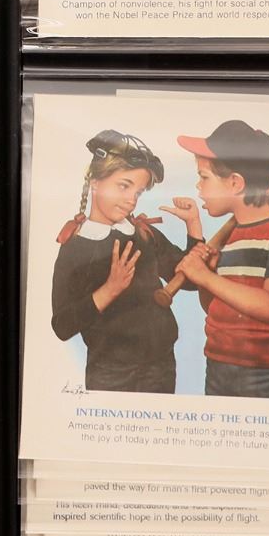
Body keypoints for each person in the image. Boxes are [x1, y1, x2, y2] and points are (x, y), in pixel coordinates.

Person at [50, 130, 203, 394]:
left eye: (138, 192)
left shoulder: (145, 235)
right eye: (124, 186)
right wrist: (110, 289)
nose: (132, 199)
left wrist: (194, 226)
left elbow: (191, 280)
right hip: (110, 374)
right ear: (95, 182)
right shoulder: (74, 248)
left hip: (161, 367)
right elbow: (62, 326)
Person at [172, 121, 269, 400]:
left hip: (265, 377)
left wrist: (206, 277)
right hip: (217, 367)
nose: (198, 187)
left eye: (204, 177)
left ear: (235, 183)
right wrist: (207, 279)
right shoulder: (230, 237)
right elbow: (215, 308)